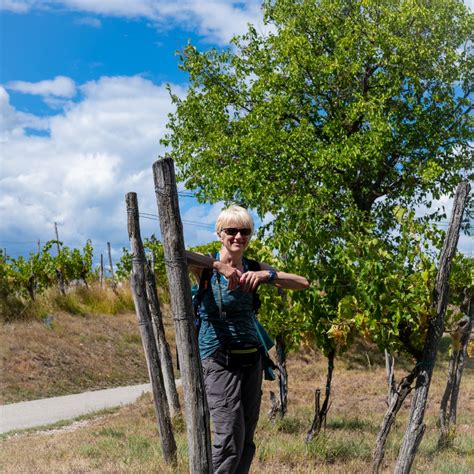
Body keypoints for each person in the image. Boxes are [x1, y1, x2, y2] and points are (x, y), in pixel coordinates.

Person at [186, 205, 309, 474]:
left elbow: (303, 283)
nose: (238, 237)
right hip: (218, 360)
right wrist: (218, 266)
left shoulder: (253, 268)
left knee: (247, 437)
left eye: (244, 231)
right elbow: (173, 254)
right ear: (220, 233)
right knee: (229, 436)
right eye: (231, 231)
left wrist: (269, 275)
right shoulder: (205, 267)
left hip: (251, 360)